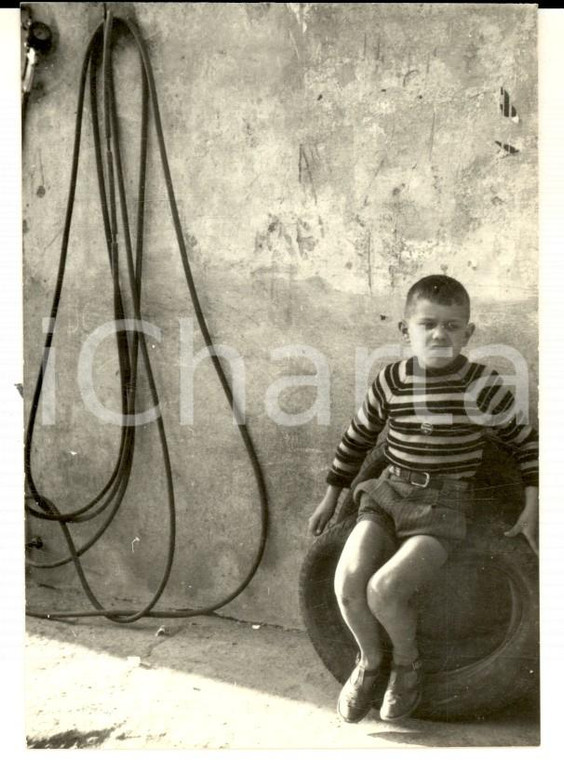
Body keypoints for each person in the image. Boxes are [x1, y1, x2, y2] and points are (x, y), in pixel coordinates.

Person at [307, 274, 539, 724]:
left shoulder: (482, 385)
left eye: (452, 326)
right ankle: (371, 663)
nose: (439, 335)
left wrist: (533, 506)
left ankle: (407, 666)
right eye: (428, 324)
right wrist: (330, 497)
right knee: (348, 584)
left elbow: (525, 444)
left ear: (468, 333)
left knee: (385, 589)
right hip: (386, 492)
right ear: (405, 330)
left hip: (444, 504)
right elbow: (356, 440)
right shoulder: (391, 380)